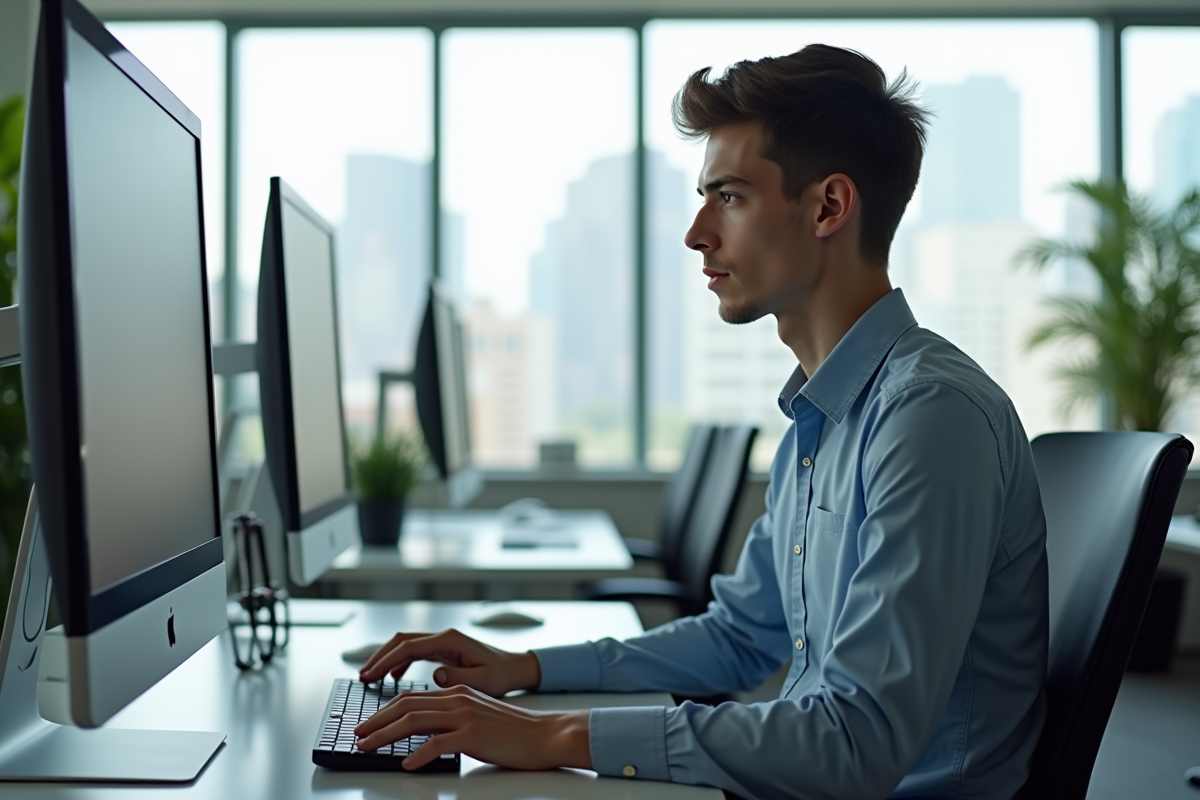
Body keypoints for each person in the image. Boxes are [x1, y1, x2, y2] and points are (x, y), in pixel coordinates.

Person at [353, 43, 1048, 800]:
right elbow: (741, 637)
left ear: (828, 207)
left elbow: (857, 743)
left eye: (729, 197)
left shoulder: (927, 418)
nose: (696, 234)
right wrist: (528, 670)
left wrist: (553, 733)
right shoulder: (821, 420)